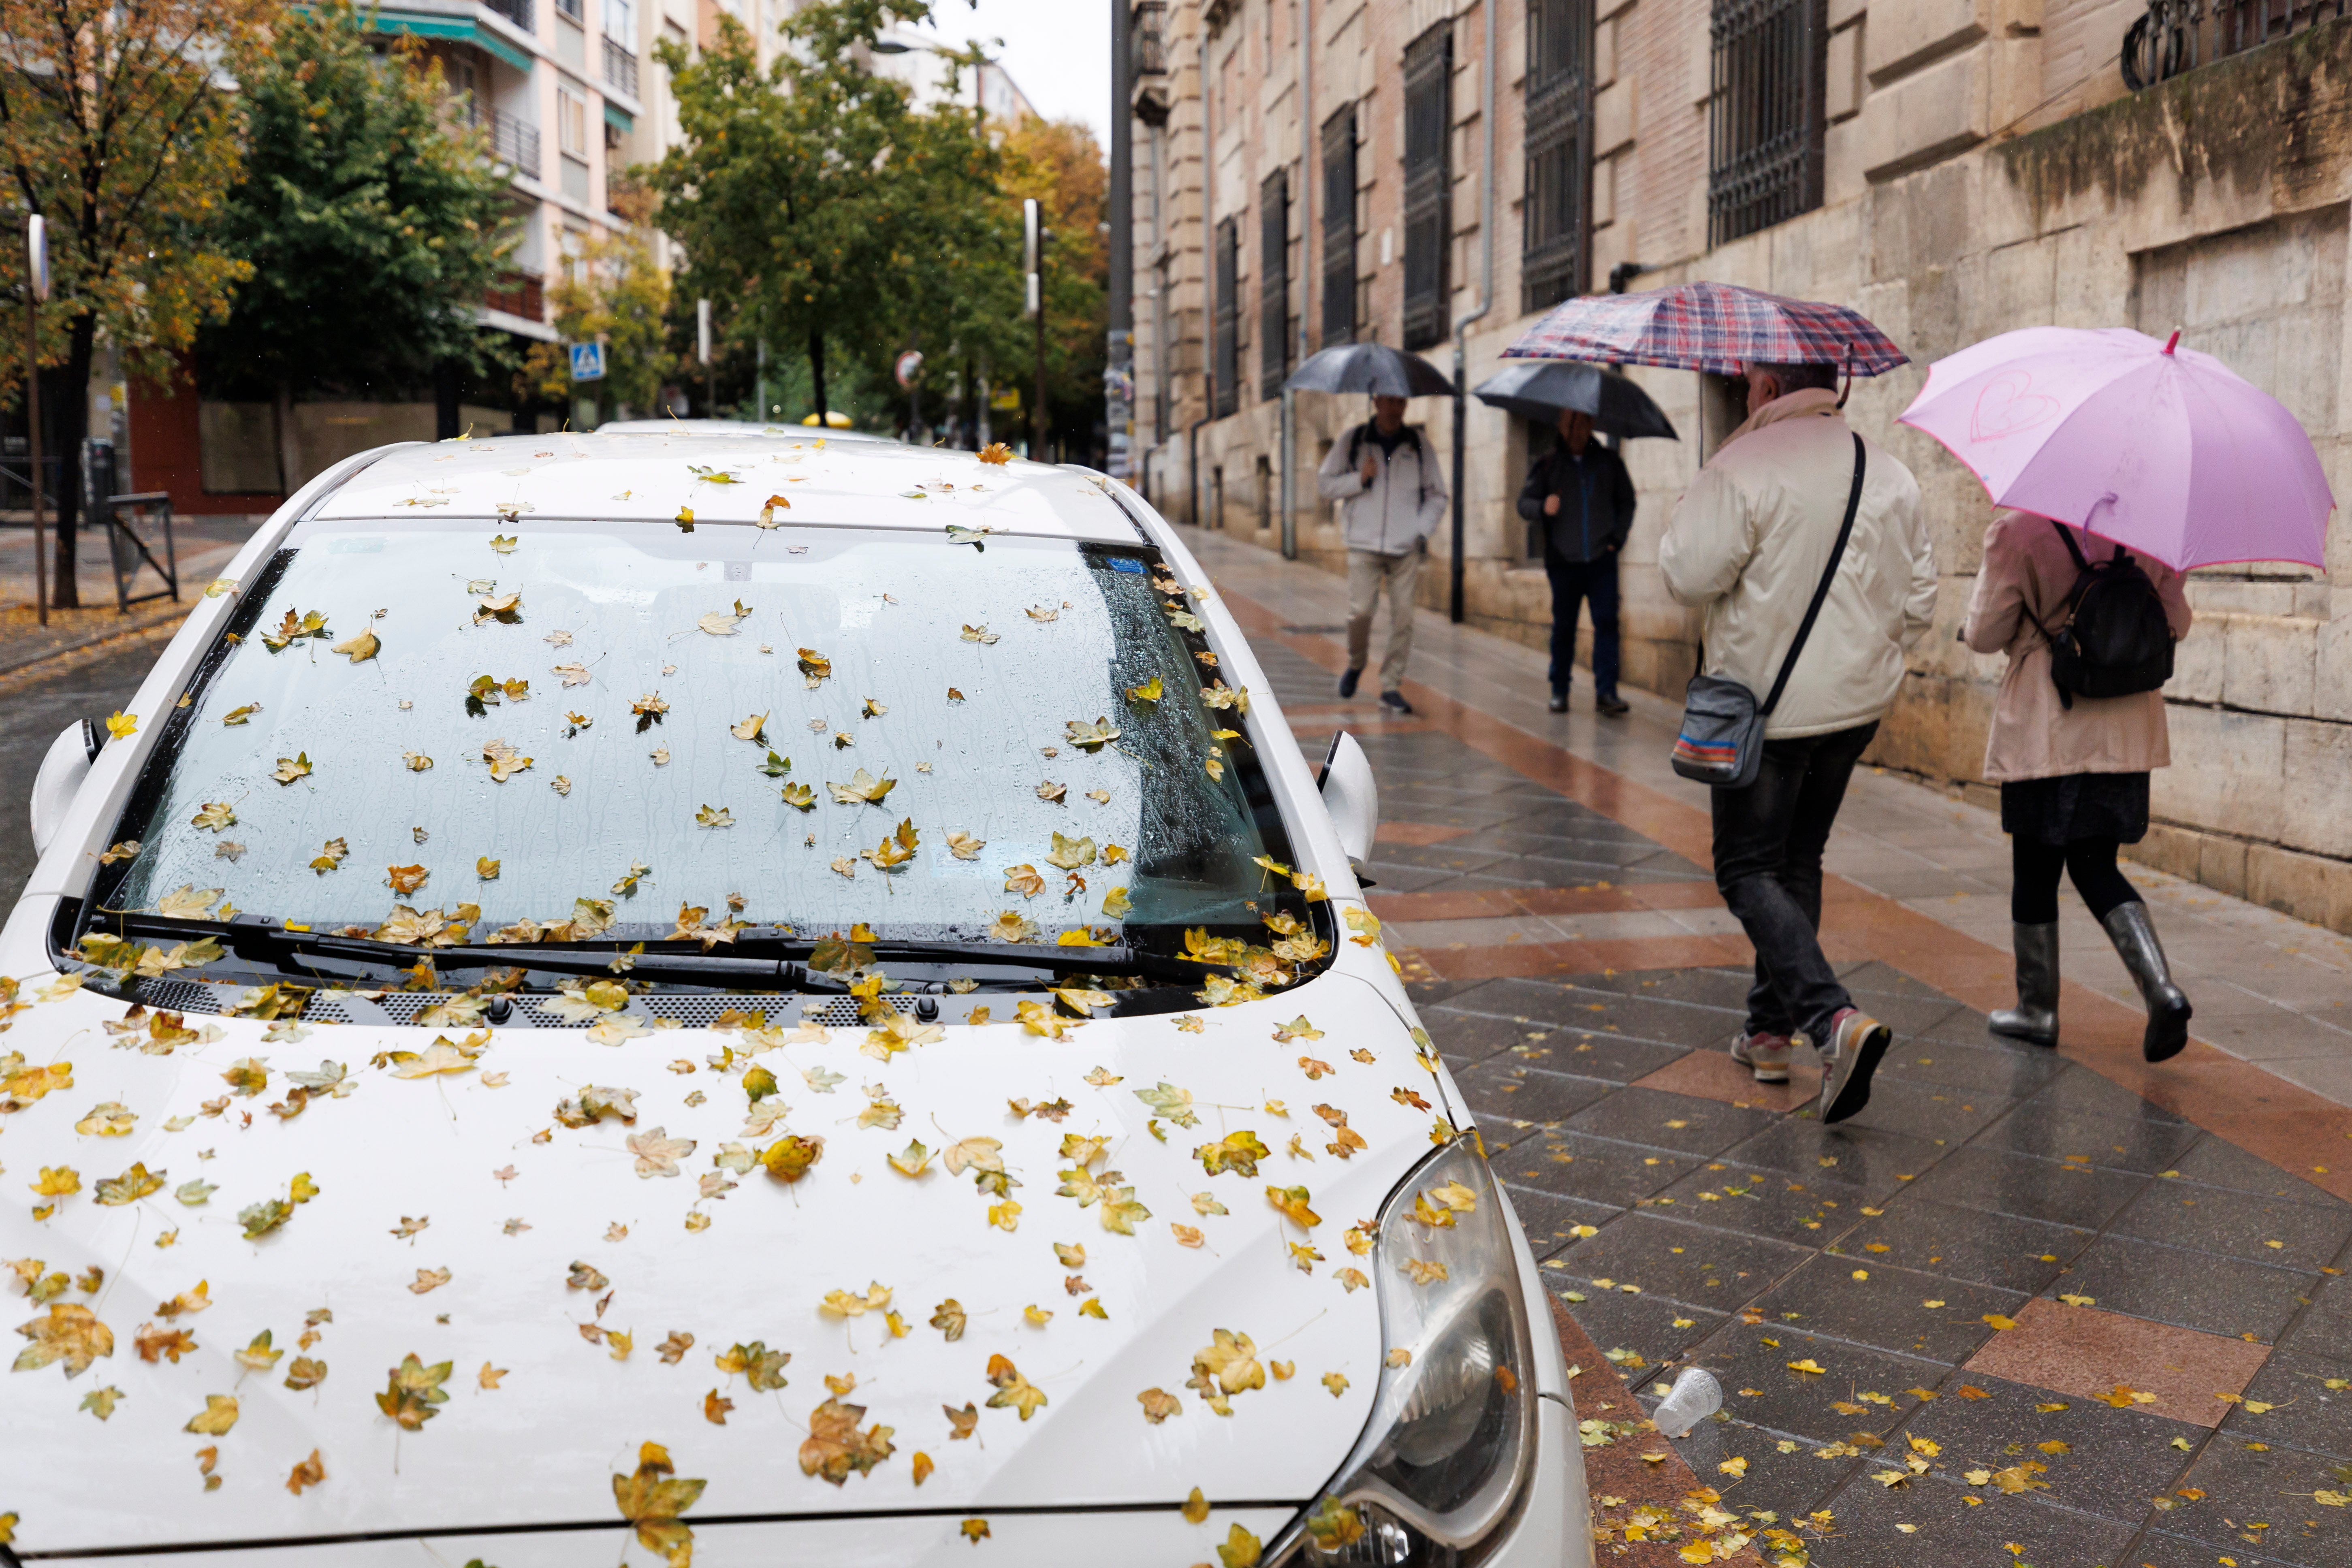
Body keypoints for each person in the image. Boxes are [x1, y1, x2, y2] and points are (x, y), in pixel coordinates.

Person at [1659, 361, 1936, 1123]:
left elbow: (1686, 577)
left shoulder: (1742, 464)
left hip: (1766, 713)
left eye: (1749, 382)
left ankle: (1831, 1019)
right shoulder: (1889, 472)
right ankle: (1768, 1031)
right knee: (1796, 861)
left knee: (1745, 867)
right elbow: (1919, 602)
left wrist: (1694, 504)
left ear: (1770, 386)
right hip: (1853, 710)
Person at [1961, 508, 2194, 1060]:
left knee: (2035, 867)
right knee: (2095, 862)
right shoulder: (2153, 531)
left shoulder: (2018, 531)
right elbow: (2175, 624)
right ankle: (2160, 987)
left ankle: (2037, 1009)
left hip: (2047, 725)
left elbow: (1982, 632)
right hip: (2123, 727)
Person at [1318, 392, 1449, 713]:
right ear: (1377, 402)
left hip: (1404, 548)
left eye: (1400, 403)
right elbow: (1325, 484)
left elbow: (1438, 494)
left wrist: (1420, 530)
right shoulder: (1354, 440)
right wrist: (1360, 478)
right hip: (1363, 543)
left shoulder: (1417, 444)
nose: (1395, 409)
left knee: (1404, 618)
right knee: (1360, 611)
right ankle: (1356, 663)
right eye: (1389, 402)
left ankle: (1390, 685)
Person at [1517, 407, 1636, 715]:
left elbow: (1627, 501)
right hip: (1563, 561)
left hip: (1601, 560)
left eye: (1582, 421)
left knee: (1607, 624)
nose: (1576, 429)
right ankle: (1559, 690)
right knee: (1564, 628)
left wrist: (1616, 540)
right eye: (1570, 421)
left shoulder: (1609, 461)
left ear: (1592, 423)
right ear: (1561, 422)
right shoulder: (1548, 464)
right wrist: (1544, 505)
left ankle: (1607, 692)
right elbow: (1524, 504)